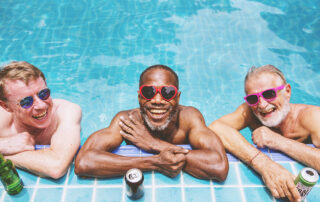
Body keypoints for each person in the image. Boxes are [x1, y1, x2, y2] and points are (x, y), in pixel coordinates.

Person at [75, 64, 228, 181]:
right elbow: (84, 162)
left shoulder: (188, 118)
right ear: (139, 97)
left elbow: (218, 166)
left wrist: (154, 144)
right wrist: (154, 162)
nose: (157, 100)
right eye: (149, 92)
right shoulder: (128, 121)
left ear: (178, 97)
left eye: (168, 93)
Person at [209, 64, 320, 201]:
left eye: (269, 94)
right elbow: (215, 128)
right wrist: (264, 165)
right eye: (253, 98)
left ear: (287, 91)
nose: (261, 105)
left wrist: (278, 141)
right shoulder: (250, 112)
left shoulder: (313, 117)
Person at [0, 61, 82, 179]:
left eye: (43, 94)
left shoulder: (67, 111)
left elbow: (56, 167)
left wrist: (4, 155)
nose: (41, 106)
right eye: (26, 102)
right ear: (6, 107)